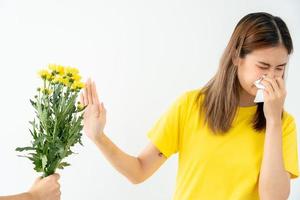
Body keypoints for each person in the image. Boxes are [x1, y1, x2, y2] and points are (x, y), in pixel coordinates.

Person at [80, 12, 299, 200]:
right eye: (263, 66)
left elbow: (273, 197)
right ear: (236, 57)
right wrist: (98, 137)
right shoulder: (191, 106)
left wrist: (273, 121)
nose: (272, 77)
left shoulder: (283, 125)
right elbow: (138, 172)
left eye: (280, 68)